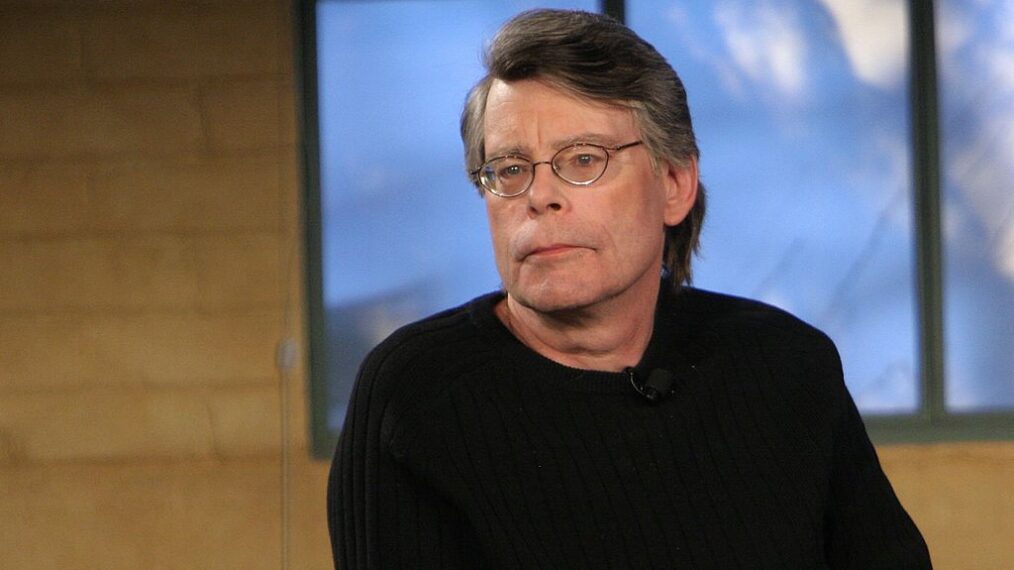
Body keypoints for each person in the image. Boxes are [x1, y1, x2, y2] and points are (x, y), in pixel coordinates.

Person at [328, 9, 931, 569]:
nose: (539, 196)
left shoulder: (787, 365)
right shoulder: (414, 394)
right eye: (509, 169)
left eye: (583, 159)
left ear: (674, 183)